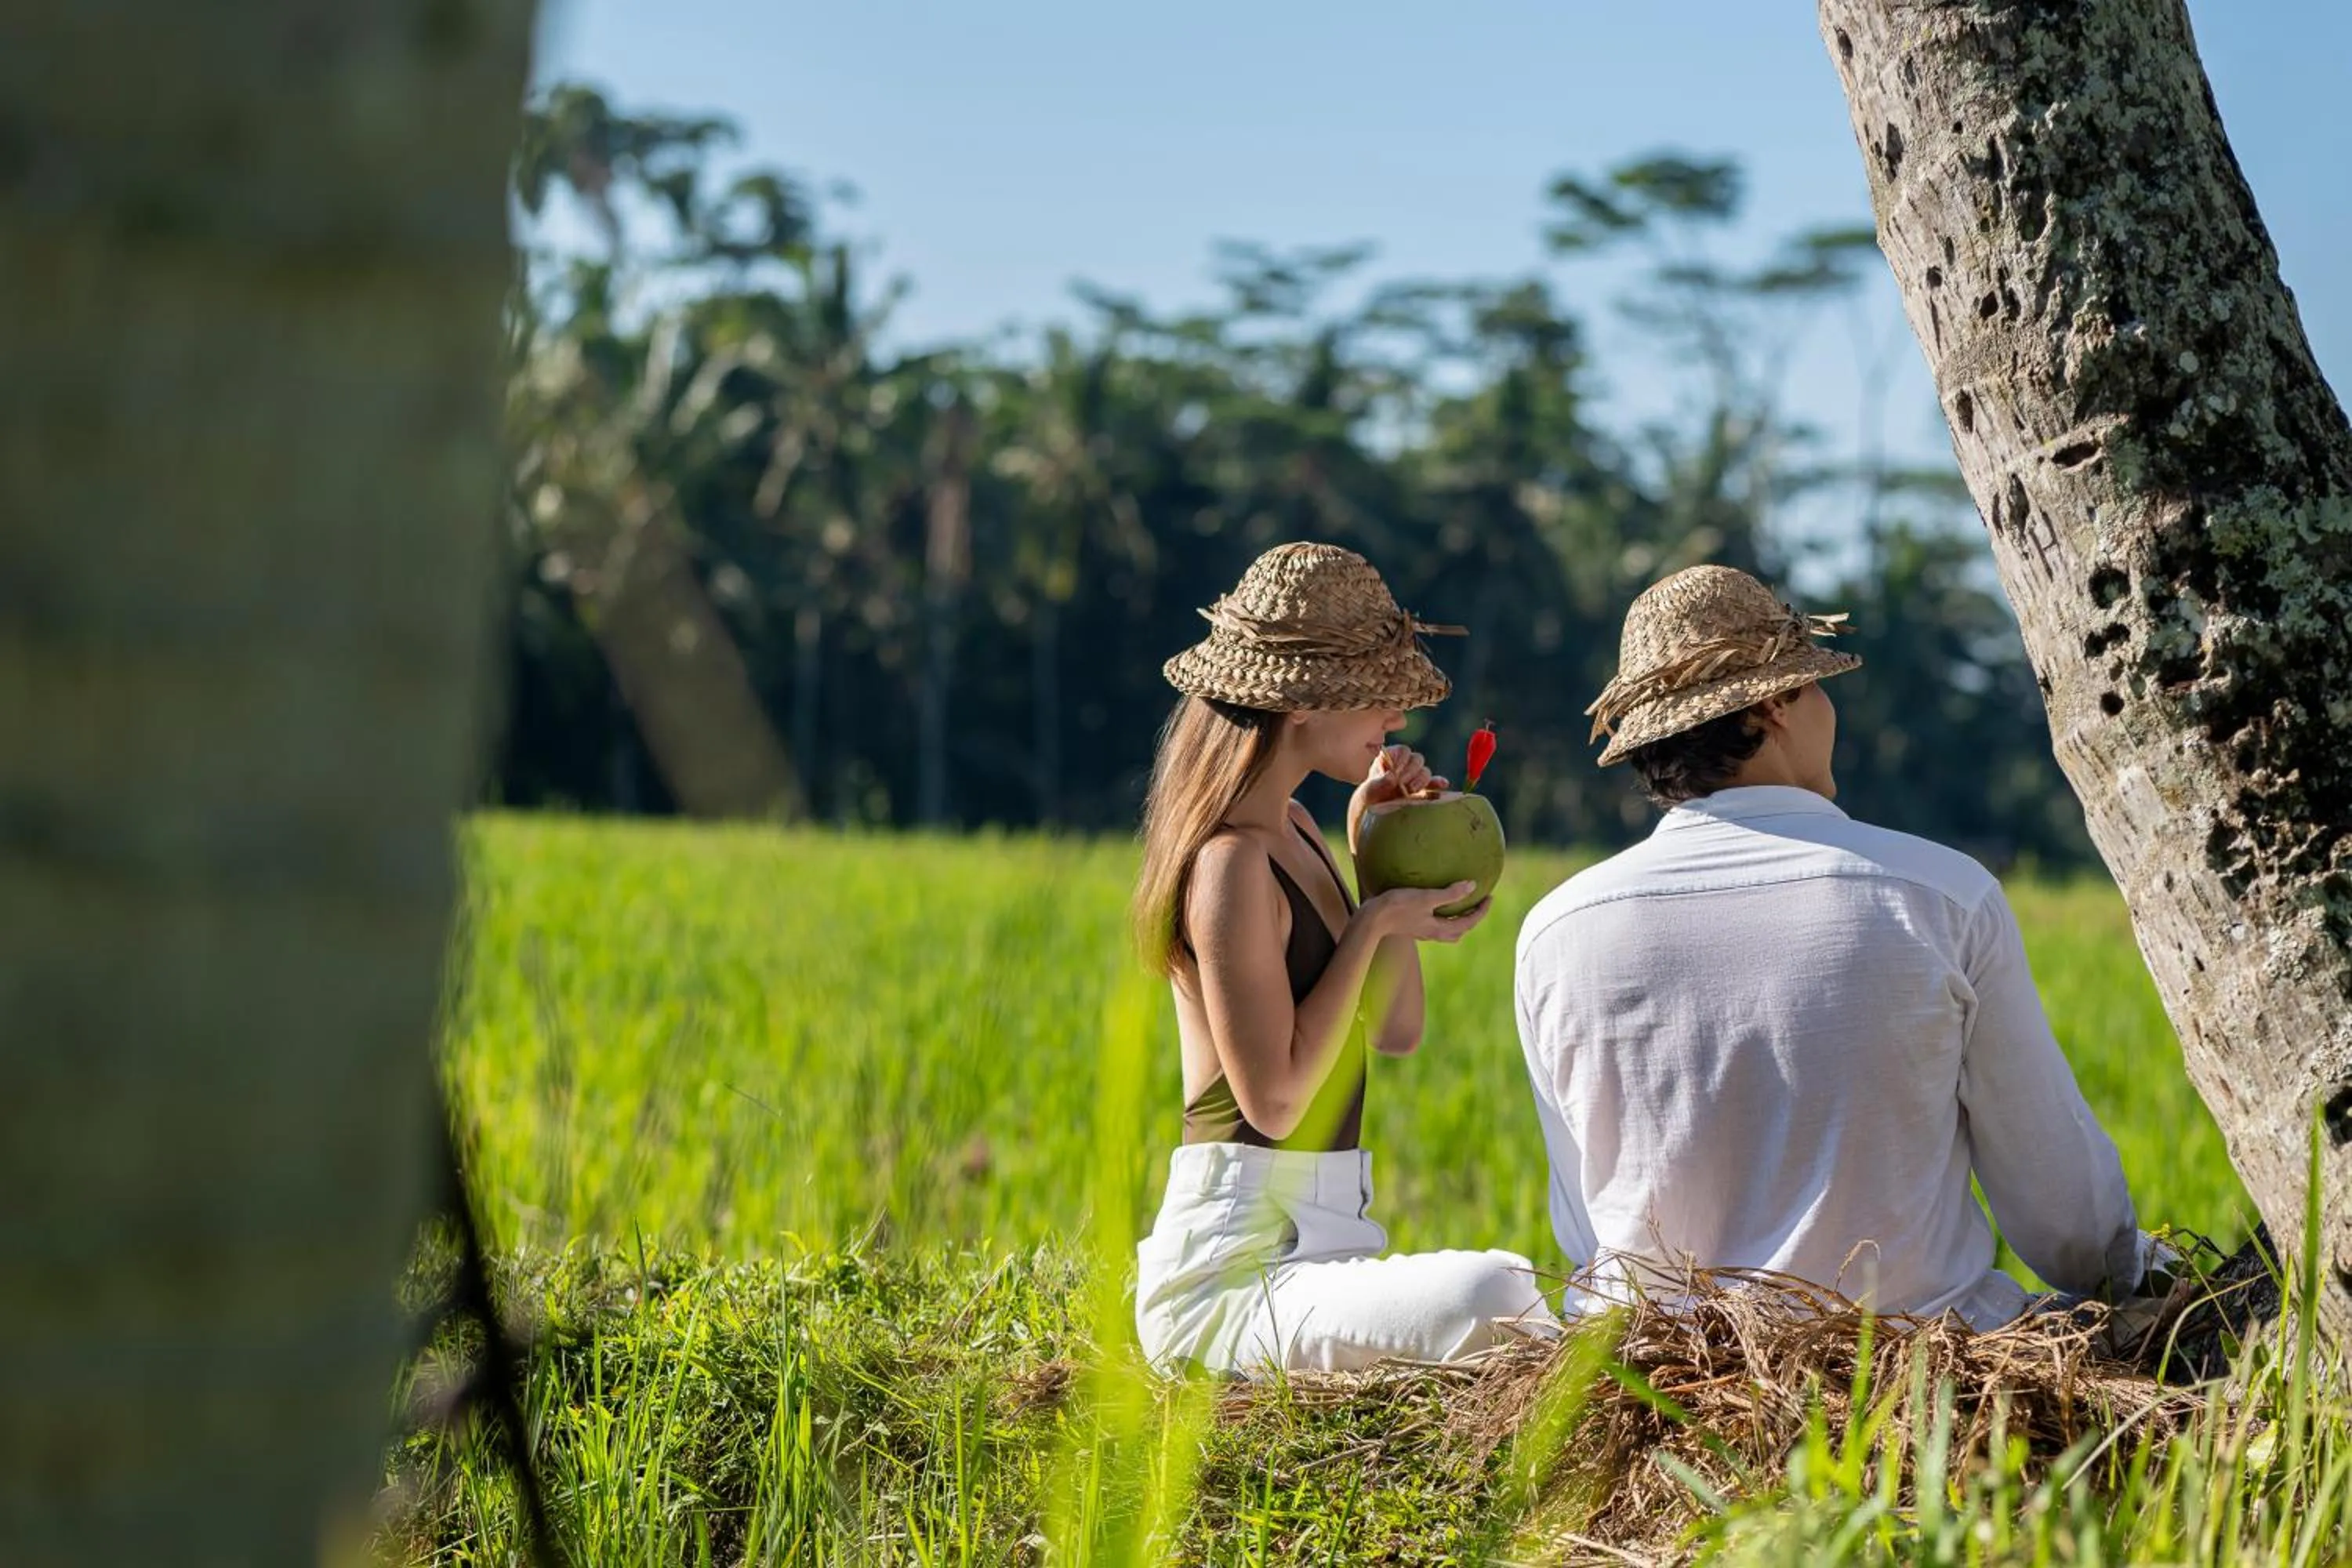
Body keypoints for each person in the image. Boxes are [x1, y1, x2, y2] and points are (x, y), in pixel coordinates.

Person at [1514, 563, 2168, 1330]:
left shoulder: (1558, 928)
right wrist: (2147, 1274)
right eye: (1816, 685)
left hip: (1659, 1384)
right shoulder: (1938, 894)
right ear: (1774, 705)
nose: (1829, 709)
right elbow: (2067, 1218)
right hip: (1918, 1376)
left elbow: (1585, 1228)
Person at [1131, 542, 1555, 1374]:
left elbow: (1397, 1029)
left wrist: (1378, 858)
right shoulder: (1229, 861)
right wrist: (1371, 925)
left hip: (1326, 1244)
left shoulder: (1296, 831)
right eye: (1375, 699)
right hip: (1231, 1276)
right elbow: (1277, 1100)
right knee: (1498, 1287)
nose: (1394, 720)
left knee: (1510, 1289)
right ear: (1302, 707)